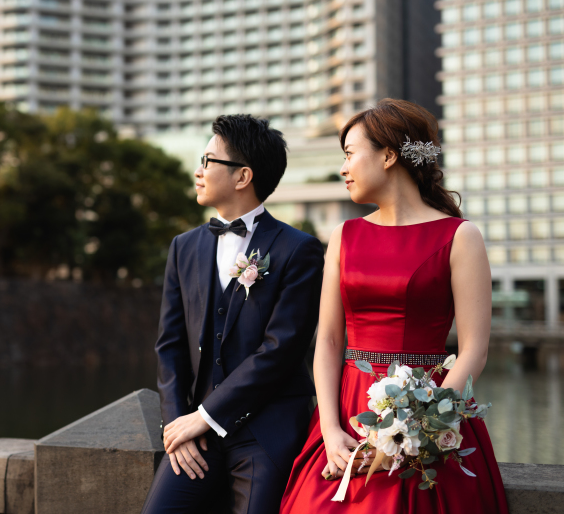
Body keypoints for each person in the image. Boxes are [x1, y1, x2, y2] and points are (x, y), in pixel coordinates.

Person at [279, 99, 508, 513]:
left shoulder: (460, 236)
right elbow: (328, 341)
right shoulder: (344, 236)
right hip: (348, 413)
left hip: (433, 409)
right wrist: (330, 430)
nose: (344, 168)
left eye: (349, 155)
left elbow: (475, 349)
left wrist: (412, 430)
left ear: (387, 156)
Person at [141, 114, 324, 514]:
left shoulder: (300, 250)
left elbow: (281, 350)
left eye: (208, 161)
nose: (199, 171)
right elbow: (169, 346)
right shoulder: (183, 247)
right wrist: (178, 426)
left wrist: (205, 416)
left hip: (265, 431)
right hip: (196, 433)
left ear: (242, 177)